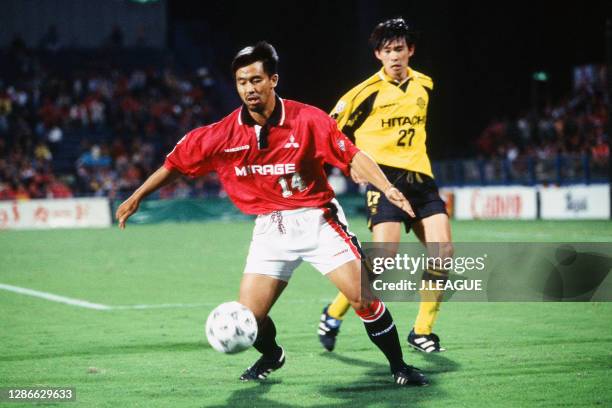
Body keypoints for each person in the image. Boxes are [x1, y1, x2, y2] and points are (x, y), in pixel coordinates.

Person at [116, 41, 429, 386]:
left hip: (317, 220)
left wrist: (387, 187)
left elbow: (352, 155)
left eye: (256, 80)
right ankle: (272, 355)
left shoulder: (308, 119)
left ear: (273, 80)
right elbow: (176, 164)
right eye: (241, 82)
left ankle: (400, 367)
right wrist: (138, 195)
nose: (249, 88)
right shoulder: (222, 134)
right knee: (250, 317)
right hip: (270, 229)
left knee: (363, 298)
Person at [318, 18, 453, 354]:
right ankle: (334, 312)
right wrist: (348, 164)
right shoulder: (362, 93)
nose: (394, 56)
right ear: (378, 54)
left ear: (411, 51)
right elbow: (326, 133)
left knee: (444, 253)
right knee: (382, 261)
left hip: (422, 180)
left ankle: (422, 330)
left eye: (400, 49)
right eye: (387, 50)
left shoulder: (426, 85)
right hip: (384, 180)